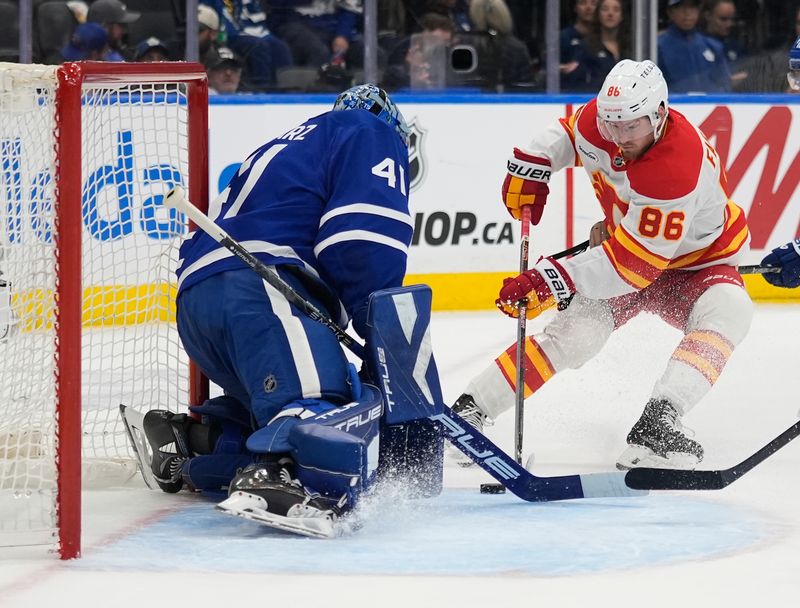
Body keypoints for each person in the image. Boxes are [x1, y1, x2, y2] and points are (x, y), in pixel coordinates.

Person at [139, 85, 430, 535]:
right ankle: (277, 475)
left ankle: (195, 444)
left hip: (201, 302)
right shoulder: (368, 129)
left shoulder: (284, 145)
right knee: (324, 405)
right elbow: (360, 239)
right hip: (264, 288)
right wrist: (380, 335)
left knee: (282, 408)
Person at [452, 59, 753, 471]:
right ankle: (469, 411)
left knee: (729, 312)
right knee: (575, 335)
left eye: (631, 126)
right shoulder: (605, 121)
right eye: (612, 125)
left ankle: (658, 423)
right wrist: (532, 165)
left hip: (694, 266)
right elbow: (568, 134)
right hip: (627, 251)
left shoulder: (677, 165)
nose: (619, 137)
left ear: (659, 114)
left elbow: (631, 268)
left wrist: (550, 280)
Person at [202, 0, 292, 90]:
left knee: (280, 47)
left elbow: (256, 22)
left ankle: (287, 94)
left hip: (245, 31)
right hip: (225, 35)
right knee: (258, 47)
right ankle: (262, 91)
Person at [657, 0, 731, 93]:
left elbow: (724, 85)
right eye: (680, 7)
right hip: (673, 105)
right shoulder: (658, 47)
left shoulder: (713, 46)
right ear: (670, 12)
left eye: (692, 7)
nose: (687, 13)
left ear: (698, 11)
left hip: (710, 105)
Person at [584, 0, 630, 90]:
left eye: (616, 10)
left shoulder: (631, 47)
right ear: (598, 14)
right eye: (605, 9)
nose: (610, 14)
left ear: (622, 16)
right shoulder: (587, 46)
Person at [701, 0, 747, 87]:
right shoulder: (697, 46)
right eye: (723, 19)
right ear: (708, 16)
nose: (729, 24)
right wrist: (727, 81)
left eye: (732, 19)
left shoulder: (736, 47)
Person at [559, 0, 598, 92]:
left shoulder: (605, 39)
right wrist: (561, 68)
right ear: (575, 8)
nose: (588, 8)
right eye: (583, 3)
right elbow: (548, 68)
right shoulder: (564, 37)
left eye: (593, 3)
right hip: (569, 92)